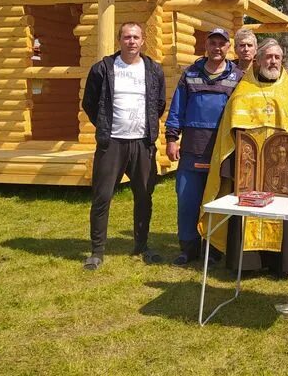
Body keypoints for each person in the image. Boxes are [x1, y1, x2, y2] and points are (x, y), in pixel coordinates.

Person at [200, 39, 288, 277]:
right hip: (249, 165)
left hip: (281, 165)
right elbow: (230, 129)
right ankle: (247, 264)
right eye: (268, 57)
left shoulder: (287, 92)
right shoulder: (244, 89)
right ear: (258, 60)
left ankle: (281, 264)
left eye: (277, 57)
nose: (272, 61)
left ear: (282, 60)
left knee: (282, 208)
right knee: (246, 208)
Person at [81, 22, 166, 270]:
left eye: (136, 37)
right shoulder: (103, 68)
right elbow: (89, 103)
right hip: (112, 143)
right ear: (120, 40)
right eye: (127, 37)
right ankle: (97, 251)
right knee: (102, 196)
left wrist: (147, 128)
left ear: (143, 41)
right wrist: (105, 125)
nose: (131, 41)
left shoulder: (154, 70)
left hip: (142, 143)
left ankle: (142, 245)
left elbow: (159, 103)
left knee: (144, 195)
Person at [166, 28, 244, 265]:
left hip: (222, 150)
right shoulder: (190, 74)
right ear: (206, 46)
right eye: (213, 43)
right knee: (187, 200)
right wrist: (171, 139)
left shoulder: (238, 77)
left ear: (228, 47)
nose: (217, 47)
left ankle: (214, 248)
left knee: (218, 201)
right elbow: (177, 108)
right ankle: (188, 248)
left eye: (222, 43)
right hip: (192, 149)